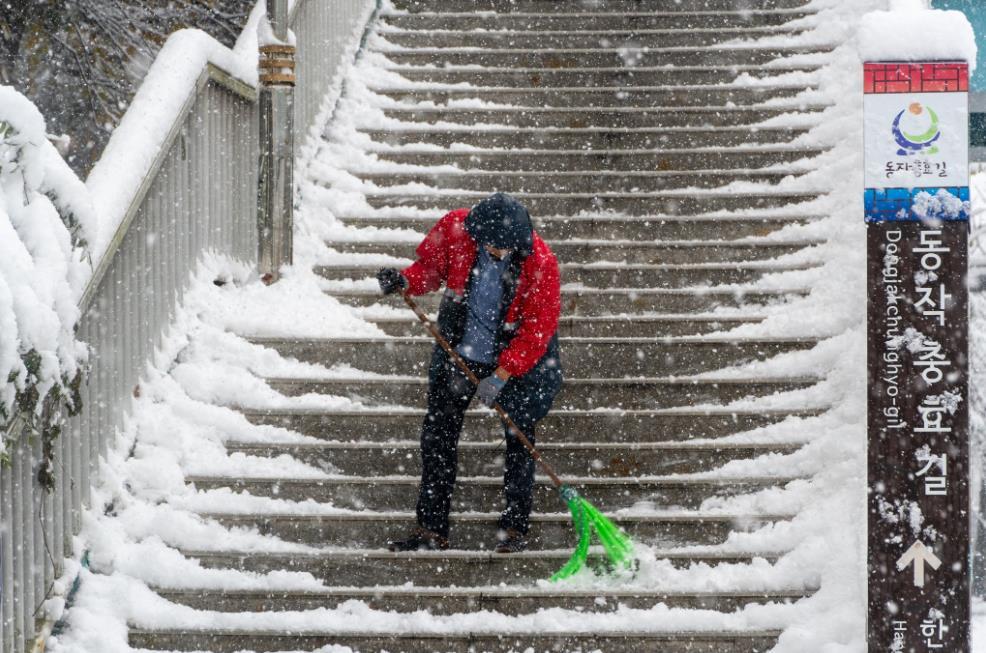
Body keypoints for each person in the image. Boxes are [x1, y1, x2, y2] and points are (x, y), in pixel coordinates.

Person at [376, 192, 563, 553]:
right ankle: (431, 529)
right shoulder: (454, 229)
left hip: (516, 358)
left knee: (520, 440)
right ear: (478, 235)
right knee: (437, 438)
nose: (500, 253)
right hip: (459, 349)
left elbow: (537, 330)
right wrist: (405, 280)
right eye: (494, 246)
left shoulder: (541, 263)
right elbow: (430, 269)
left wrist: (503, 374)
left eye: (508, 247)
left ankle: (515, 529)